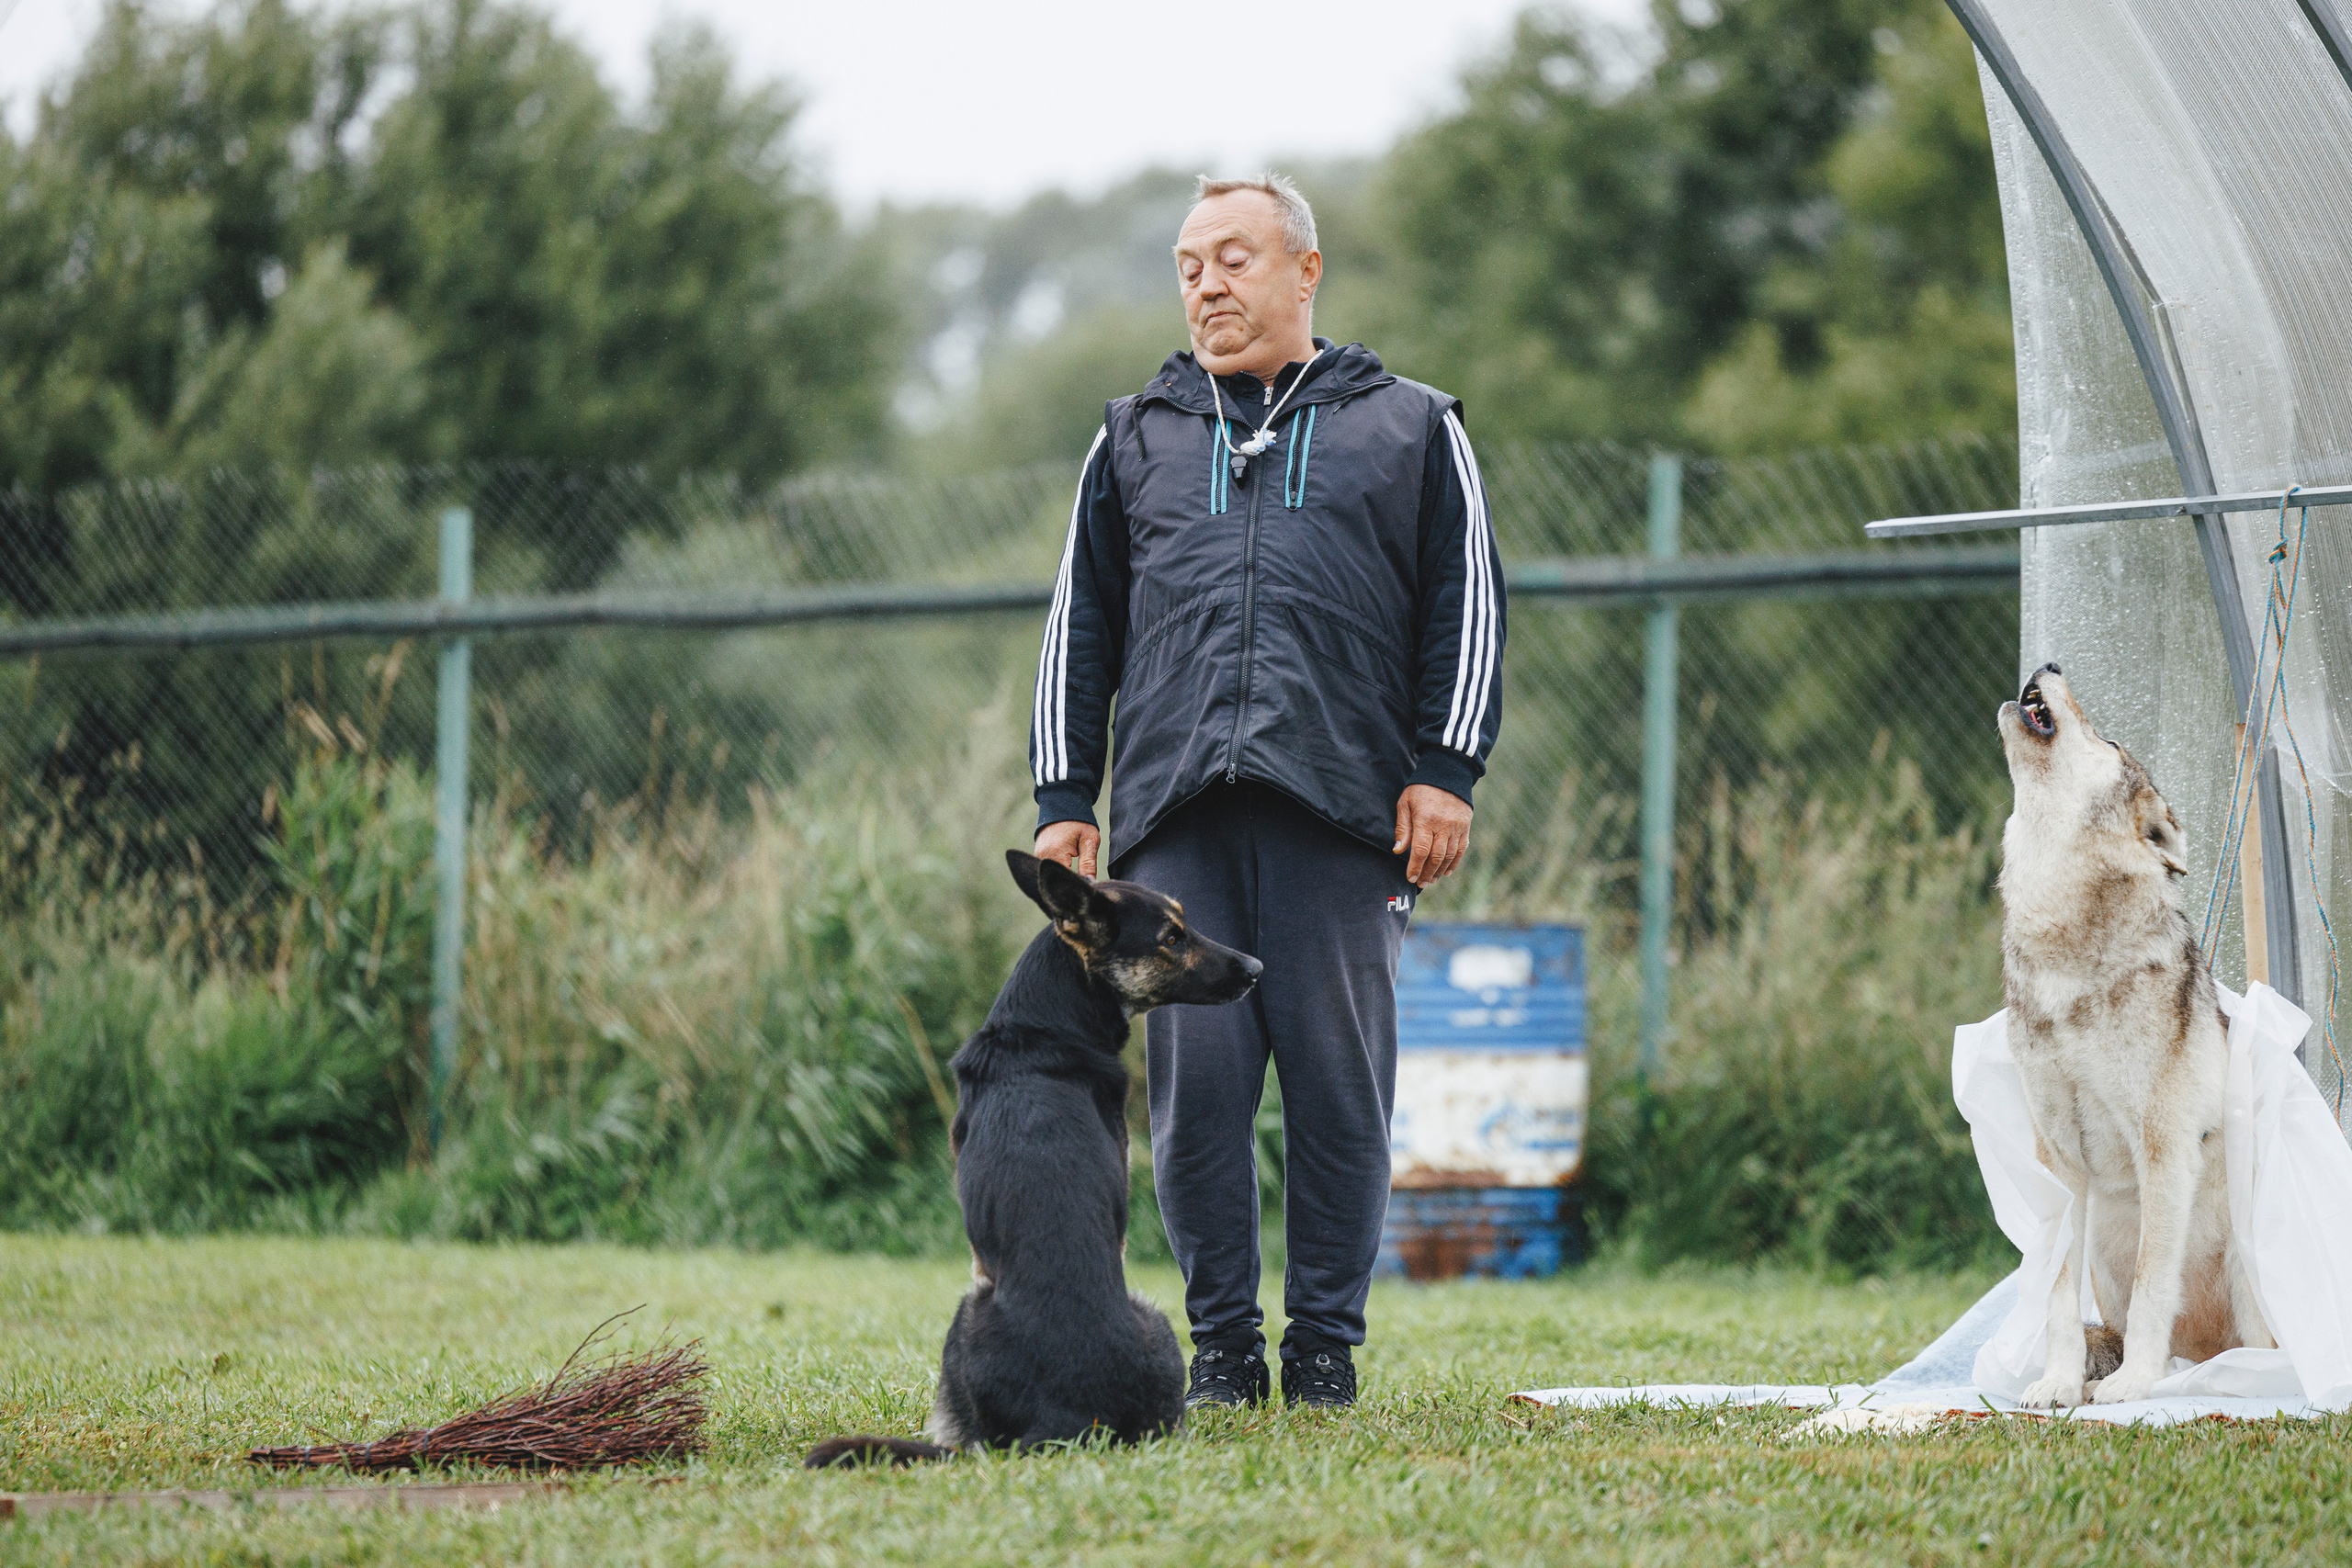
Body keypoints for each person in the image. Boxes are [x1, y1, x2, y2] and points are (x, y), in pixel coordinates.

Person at [1026, 172, 1505, 1410]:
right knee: (1198, 1103)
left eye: (1234, 259)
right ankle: (1228, 1354)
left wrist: (1443, 772)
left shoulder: (1408, 425)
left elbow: (1469, 606)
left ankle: (1325, 1351)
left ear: (1306, 270)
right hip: (1178, 817)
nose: (1207, 285)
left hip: (1345, 816)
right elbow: (1080, 627)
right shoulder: (1135, 432)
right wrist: (1065, 793)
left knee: (1342, 1097)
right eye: (1189, 265)